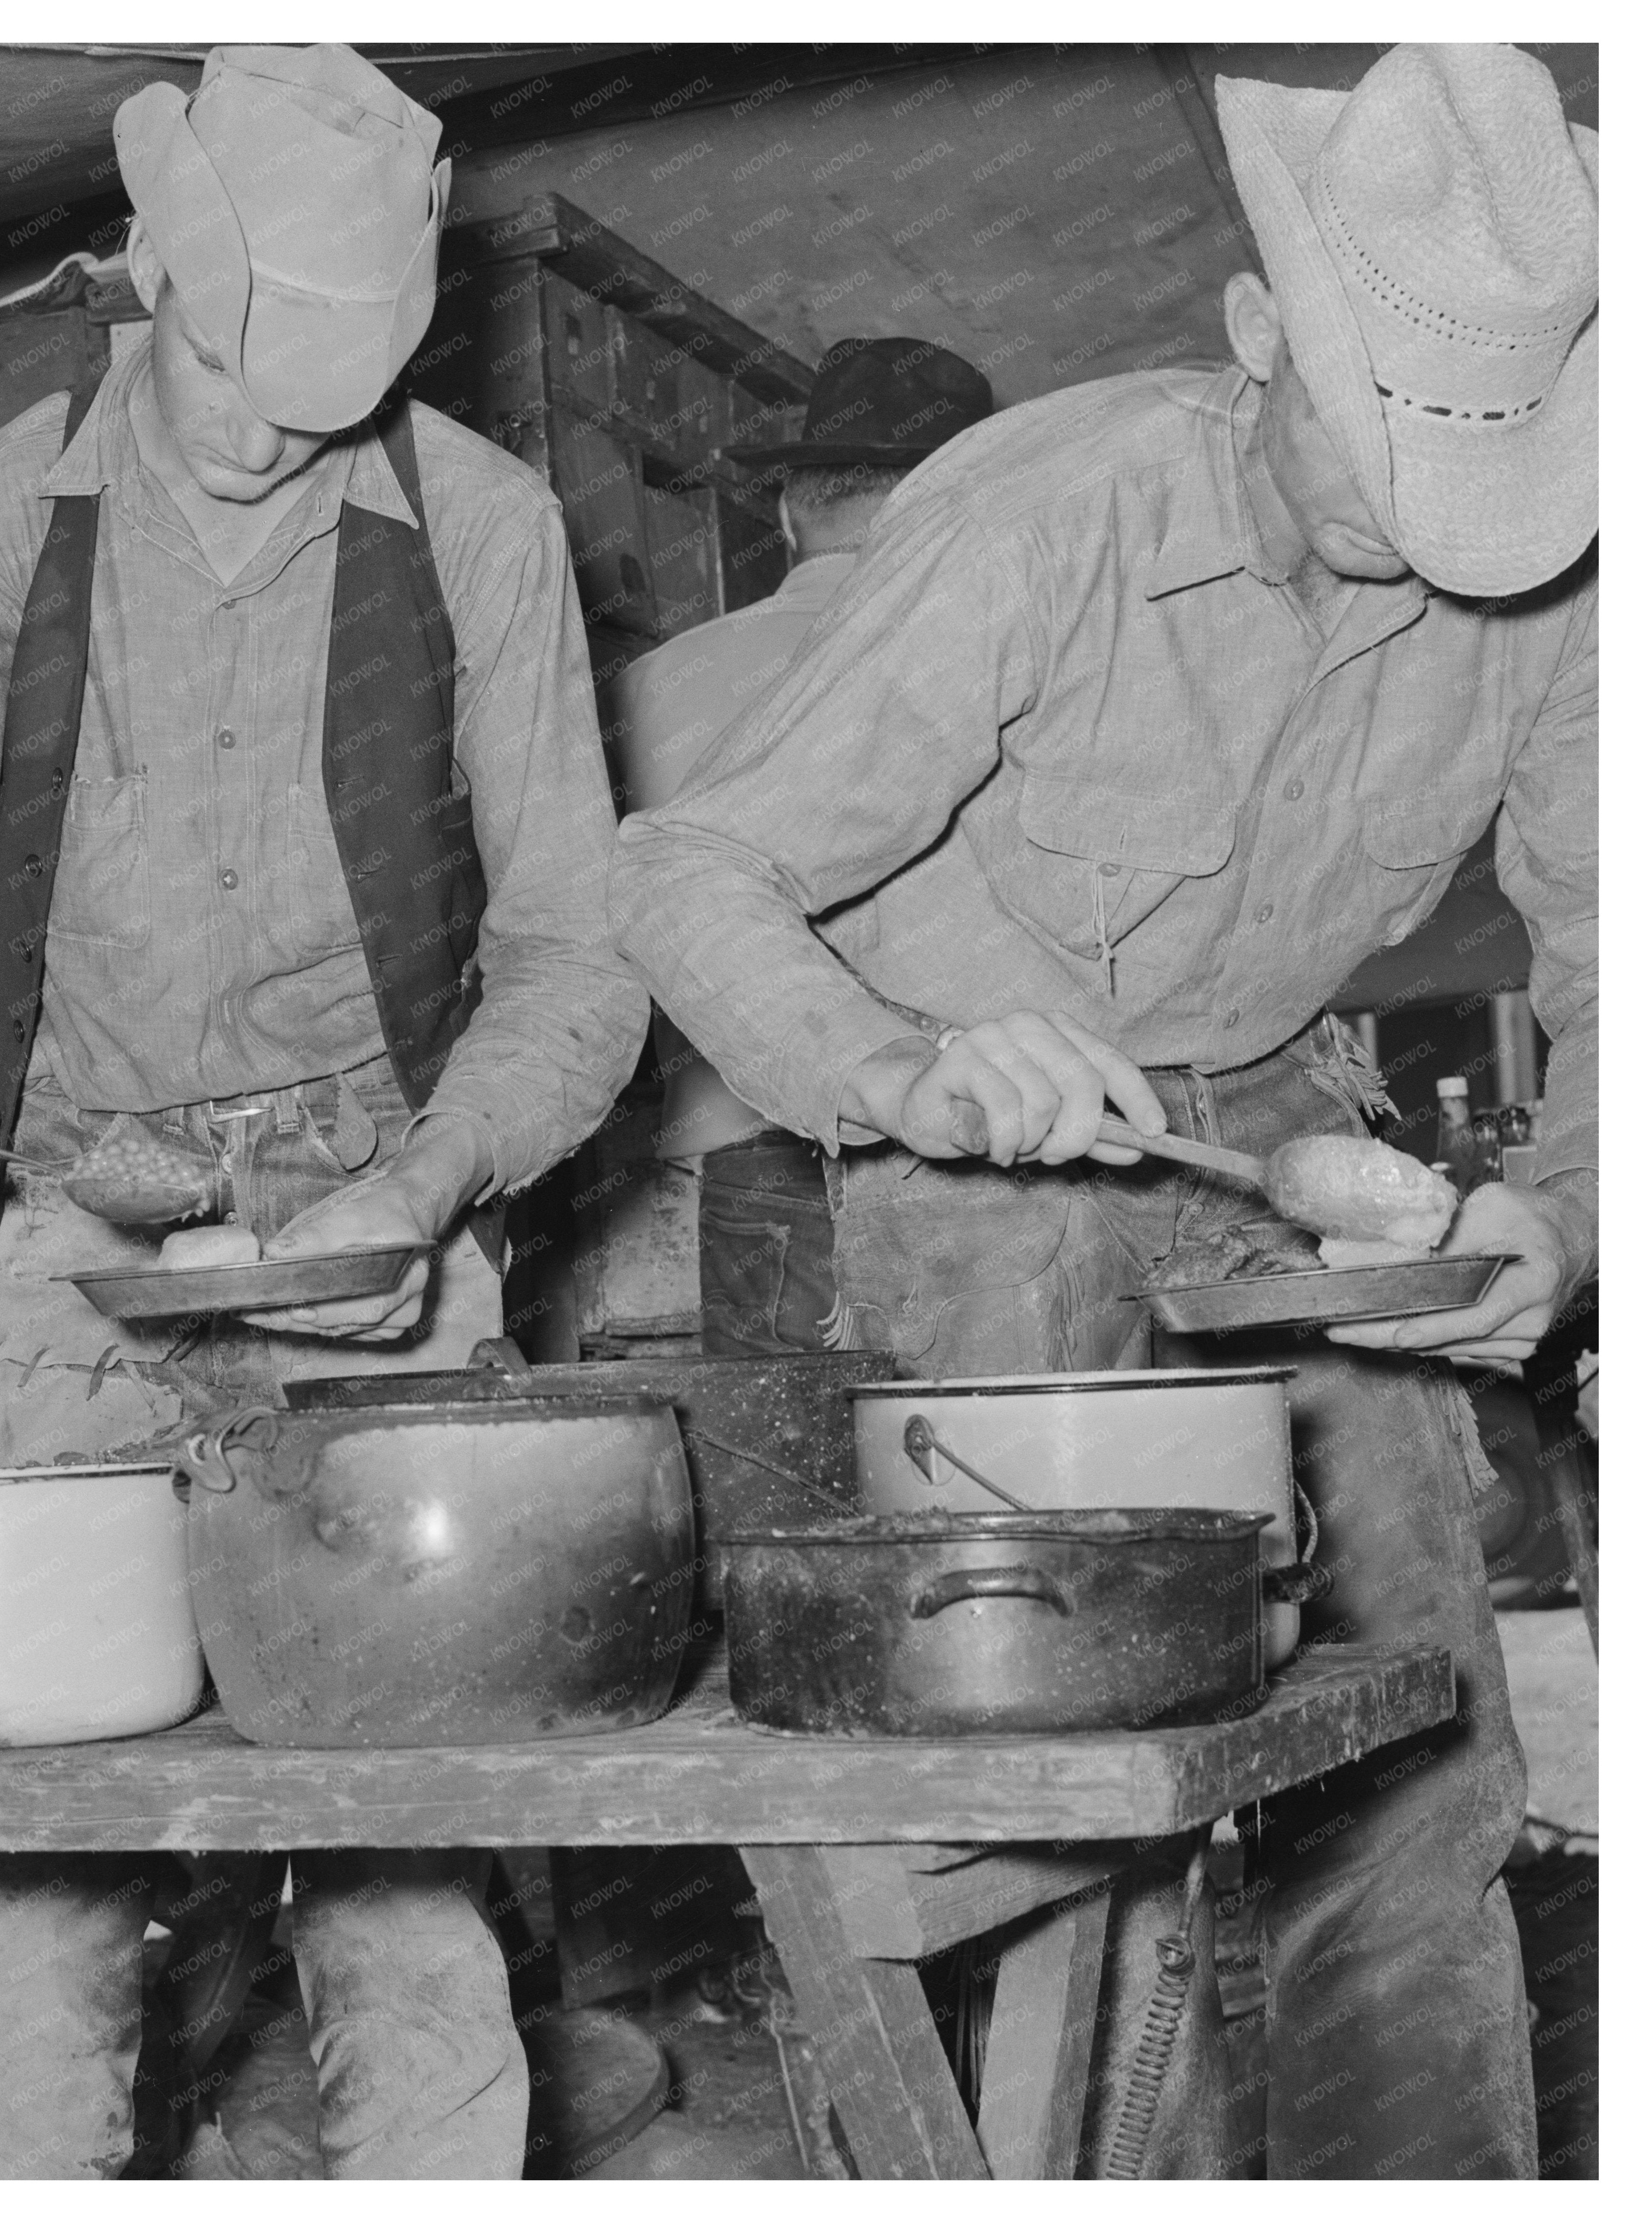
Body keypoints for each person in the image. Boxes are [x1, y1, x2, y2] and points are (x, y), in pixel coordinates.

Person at [614, 43, 1593, 2179]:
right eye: (1384, 455)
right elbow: (686, 868)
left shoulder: (1553, 561)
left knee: (1409, 1754)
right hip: (969, 1156)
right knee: (1043, 1812)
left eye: (1490, 466)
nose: (1439, 529)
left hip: (1256, 1139)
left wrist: (1555, 1209)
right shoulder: (1038, 514)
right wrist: (896, 1067)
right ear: (1255, 339)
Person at [0, 43, 646, 2178]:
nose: (265, 438)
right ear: (146, 269)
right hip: (86, 1251)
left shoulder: (483, 532)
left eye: (322, 393)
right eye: (232, 370)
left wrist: (429, 1186)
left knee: (400, 1882)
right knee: (34, 1873)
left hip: (384, 1243)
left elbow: (577, 955)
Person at [607, 338, 993, 1358]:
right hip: (965, 1156)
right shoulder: (1000, 667)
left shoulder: (640, 688)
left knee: (776, 1491)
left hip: (717, 1167)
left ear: (785, 513)